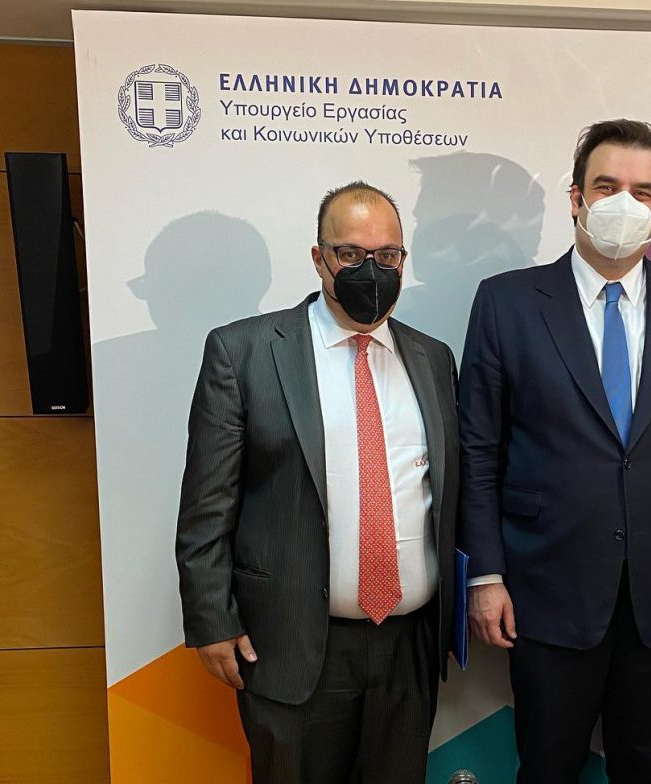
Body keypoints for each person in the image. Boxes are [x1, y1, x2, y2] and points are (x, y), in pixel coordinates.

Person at [459, 118, 651, 783]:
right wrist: (485, 575)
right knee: (548, 766)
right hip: (544, 588)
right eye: (606, 185)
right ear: (576, 197)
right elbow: (478, 449)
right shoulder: (507, 301)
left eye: (643, 192)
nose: (624, 203)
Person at [175, 181, 458, 784]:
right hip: (293, 643)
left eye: (387, 255)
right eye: (351, 254)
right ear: (319, 258)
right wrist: (211, 618)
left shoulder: (433, 358)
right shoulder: (244, 352)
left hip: (408, 645)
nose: (371, 270)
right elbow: (207, 502)